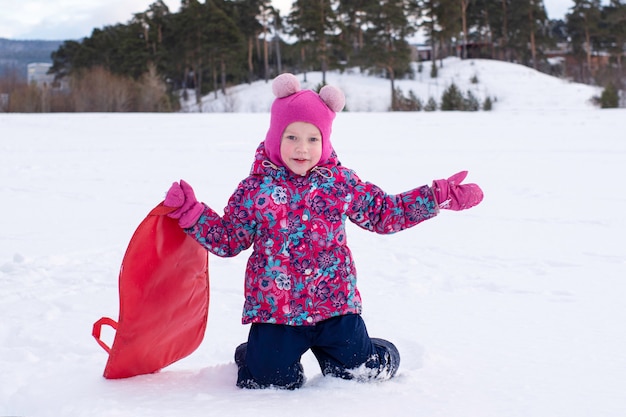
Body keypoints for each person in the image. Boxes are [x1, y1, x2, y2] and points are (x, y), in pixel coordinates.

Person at [164, 73, 483, 390]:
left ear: (325, 141)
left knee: (362, 372)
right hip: (277, 313)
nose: (302, 148)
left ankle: (373, 353)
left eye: (313, 138)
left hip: (335, 308)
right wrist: (193, 213)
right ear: (275, 137)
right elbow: (229, 239)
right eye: (292, 137)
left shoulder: (340, 183)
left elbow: (384, 213)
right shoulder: (254, 190)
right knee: (269, 381)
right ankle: (257, 354)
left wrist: (435, 197)